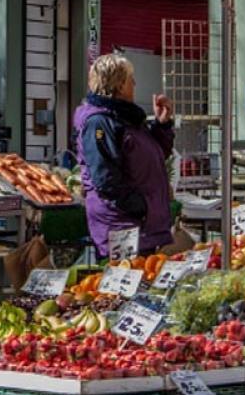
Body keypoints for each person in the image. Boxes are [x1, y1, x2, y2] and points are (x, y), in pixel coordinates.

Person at [73, 53, 175, 258]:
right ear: (119, 85)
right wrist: (140, 206)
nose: (135, 84)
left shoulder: (126, 118)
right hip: (123, 224)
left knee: (144, 279)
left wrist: (161, 125)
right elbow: (105, 178)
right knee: (126, 282)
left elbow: (153, 155)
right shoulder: (99, 123)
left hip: (142, 223)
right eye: (131, 79)